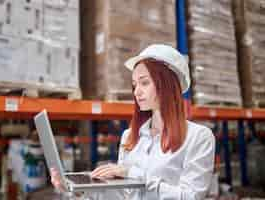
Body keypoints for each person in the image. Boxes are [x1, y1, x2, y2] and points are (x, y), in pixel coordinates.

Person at [51, 44, 215, 200]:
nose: (136, 92)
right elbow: (122, 196)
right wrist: (79, 191)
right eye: (134, 85)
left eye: (144, 83)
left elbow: (190, 196)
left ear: (168, 84)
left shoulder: (198, 137)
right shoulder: (130, 137)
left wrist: (133, 173)